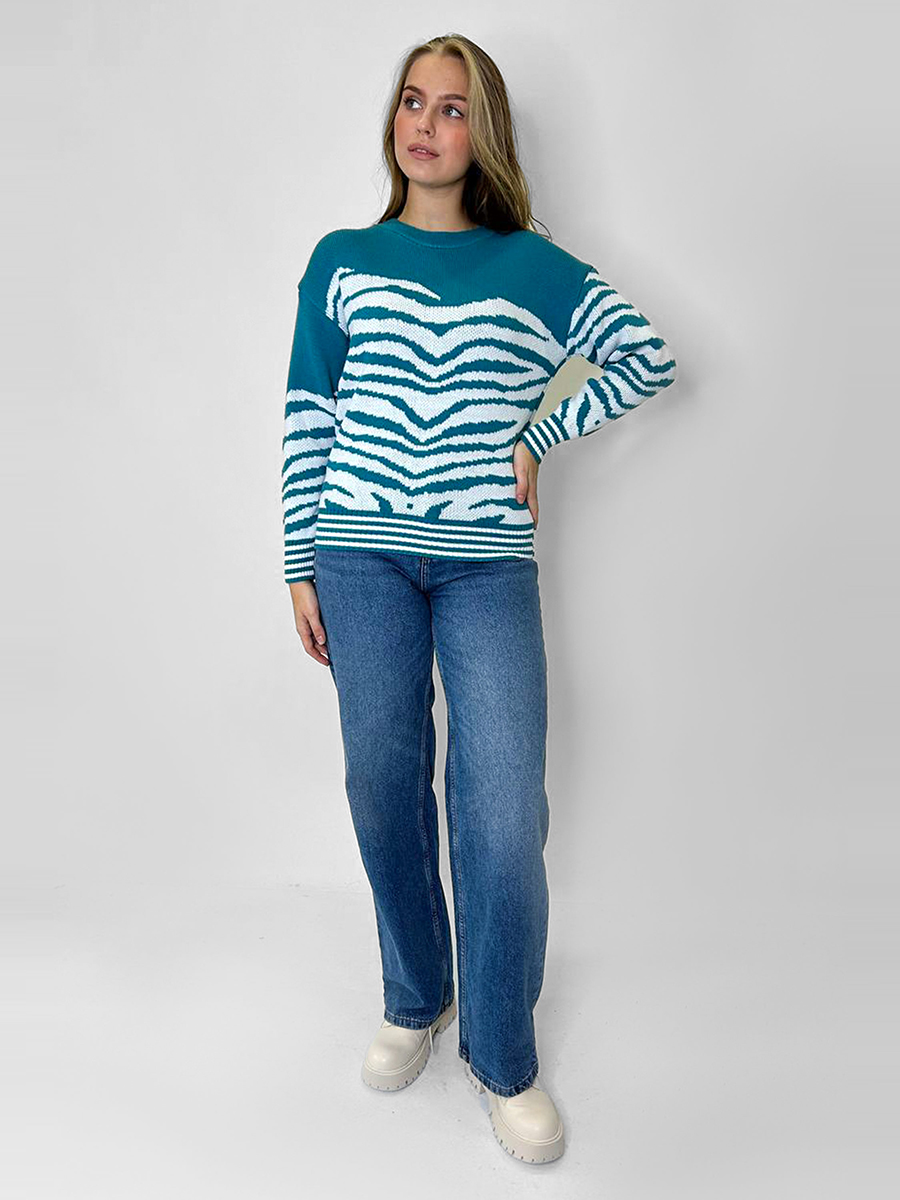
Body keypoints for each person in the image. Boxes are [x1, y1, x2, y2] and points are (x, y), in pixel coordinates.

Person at [281, 33, 677, 1165]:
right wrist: (299, 560)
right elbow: (310, 411)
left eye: (453, 108)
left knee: (503, 813)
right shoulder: (342, 258)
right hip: (359, 556)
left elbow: (645, 358)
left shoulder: (531, 267)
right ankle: (419, 994)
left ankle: (502, 1053)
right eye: (414, 101)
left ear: (484, 132)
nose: (426, 122)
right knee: (380, 784)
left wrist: (540, 435)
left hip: (485, 564)